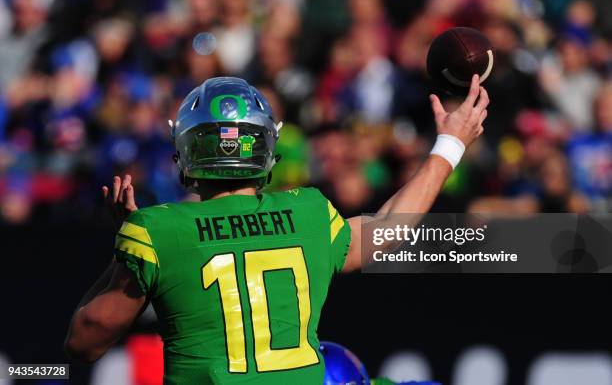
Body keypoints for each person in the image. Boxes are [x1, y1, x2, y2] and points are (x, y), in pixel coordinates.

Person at [64, 75, 488, 384]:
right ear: (266, 146)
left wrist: (125, 248)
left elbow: (84, 344)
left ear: (186, 150)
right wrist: (449, 145)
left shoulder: (156, 231)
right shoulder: (308, 212)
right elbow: (390, 227)